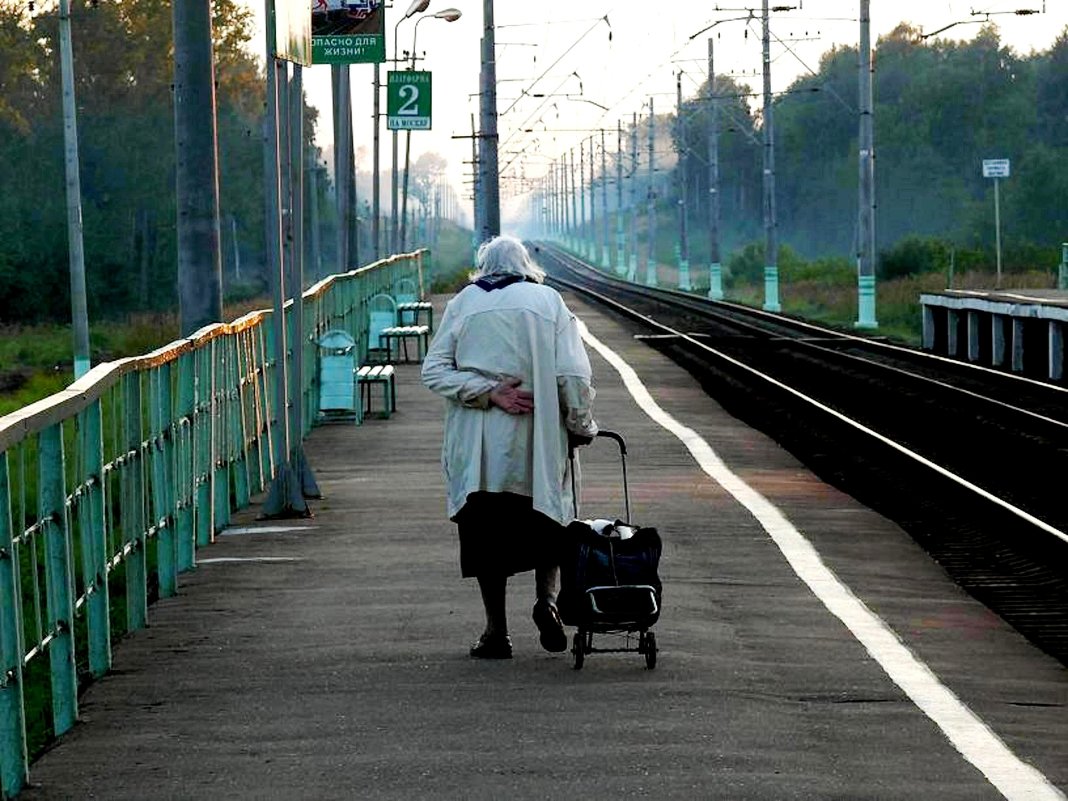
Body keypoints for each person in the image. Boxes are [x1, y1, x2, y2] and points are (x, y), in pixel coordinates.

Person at [422, 235, 598, 659]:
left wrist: (486, 391)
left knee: (486, 538)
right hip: (537, 444)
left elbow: (434, 371)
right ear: (526, 266)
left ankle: (495, 632)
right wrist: (581, 424)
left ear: (484, 267)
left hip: (479, 452)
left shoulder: (464, 303)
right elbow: (572, 375)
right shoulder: (548, 302)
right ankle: (546, 604)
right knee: (549, 523)